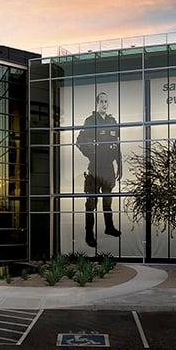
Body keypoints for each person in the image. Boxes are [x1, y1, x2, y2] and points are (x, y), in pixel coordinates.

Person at [76, 92, 122, 247]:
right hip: (94, 168)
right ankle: (90, 234)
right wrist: (91, 154)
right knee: (91, 203)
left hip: (108, 168)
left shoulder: (112, 121)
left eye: (106, 101)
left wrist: (119, 165)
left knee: (108, 201)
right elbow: (79, 141)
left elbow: (117, 145)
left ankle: (109, 227)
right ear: (97, 103)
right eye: (102, 101)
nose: (104, 104)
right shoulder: (90, 121)